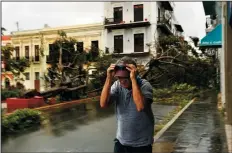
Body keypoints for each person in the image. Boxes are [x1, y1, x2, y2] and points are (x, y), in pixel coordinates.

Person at [100, 56, 154, 153]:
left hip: (141, 145)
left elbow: (140, 106)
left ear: (133, 74)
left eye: (126, 78)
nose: (122, 81)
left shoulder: (144, 85)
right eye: (119, 77)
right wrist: (108, 78)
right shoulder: (117, 85)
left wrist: (133, 80)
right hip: (121, 142)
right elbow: (103, 104)